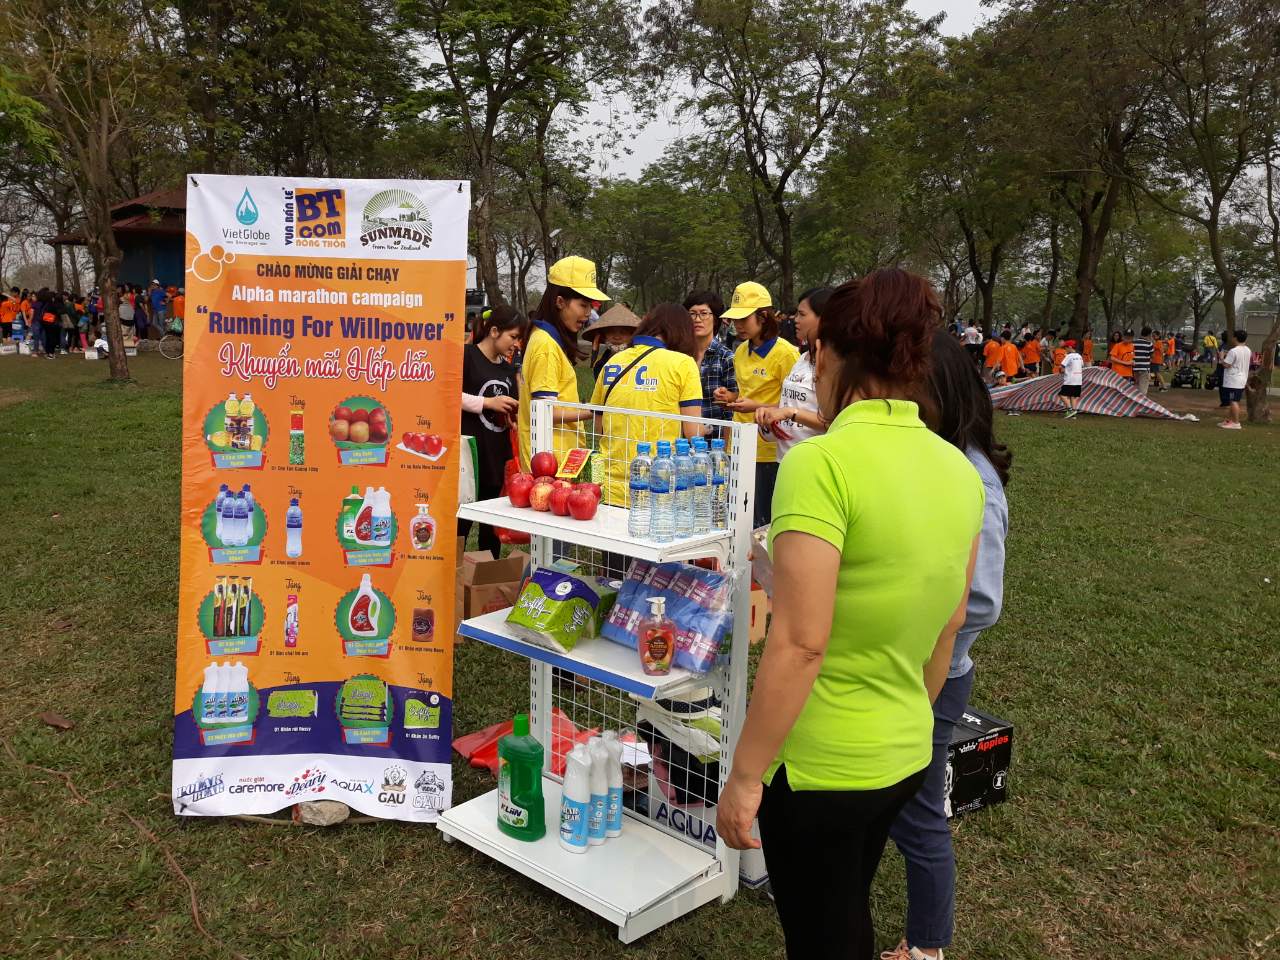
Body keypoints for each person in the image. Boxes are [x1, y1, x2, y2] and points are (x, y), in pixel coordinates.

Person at [716, 268, 984, 960]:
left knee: (823, 935)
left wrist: (745, 775)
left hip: (821, 764)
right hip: (904, 747)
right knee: (844, 911)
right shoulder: (959, 469)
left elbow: (800, 643)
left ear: (830, 355)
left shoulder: (822, 464)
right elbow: (950, 622)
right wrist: (909, 716)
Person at [880, 330, 1011, 960]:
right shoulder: (932, 461)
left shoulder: (972, 478)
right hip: (898, 665)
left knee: (918, 814)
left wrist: (923, 640)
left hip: (931, 676)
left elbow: (980, 600)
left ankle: (927, 946)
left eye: (909, 394)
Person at [589, 303, 704, 506]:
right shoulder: (683, 363)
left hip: (607, 485)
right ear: (683, 332)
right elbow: (693, 433)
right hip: (657, 487)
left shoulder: (613, 362)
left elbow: (599, 429)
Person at [717, 281, 800, 527]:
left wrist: (755, 406)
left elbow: (794, 404)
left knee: (762, 520)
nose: (738, 325)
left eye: (744, 319)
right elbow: (746, 393)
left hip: (769, 450)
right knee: (737, 518)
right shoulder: (740, 351)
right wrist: (731, 397)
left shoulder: (786, 354)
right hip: (739, 443)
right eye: (735, 320)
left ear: (763, 317)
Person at [516, 255, 603, 471]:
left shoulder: (545, 339)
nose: (588, 314)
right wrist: (594, 411)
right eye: (583, 305)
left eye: (590, 306)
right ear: (560, 302)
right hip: (549, 465)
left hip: (556, 461)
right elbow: (545, 412)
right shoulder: (545, 346)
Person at [459, 306, 522, 557]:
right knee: (460, 526)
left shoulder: (508, 370)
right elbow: (449, 395)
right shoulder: (467, 356)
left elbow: (510, 408)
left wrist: (510, 418)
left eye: (519, 339)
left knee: (491, 528)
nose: (516, 344)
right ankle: (453, 573)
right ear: (494, 331)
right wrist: (487, 403)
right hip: (468, 458)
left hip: (496, 457)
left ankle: (489, 575)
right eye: (513, 337)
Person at [755, 287, 833, 460]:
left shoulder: (833, 365)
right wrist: (769, 412)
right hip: (785, 460)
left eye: (802, 314)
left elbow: (834, 422)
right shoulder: (802, 358)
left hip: (813, 461)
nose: (795, 320)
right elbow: (793, 404)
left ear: (824, 319)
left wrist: (790, 413)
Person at [685, 290, 738, 432]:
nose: (697, 319)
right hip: (681, 439)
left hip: (715, 439)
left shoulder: (726, 357)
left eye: (704, 313)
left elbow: (732, 408)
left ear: (715, 319)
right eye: (692, 313)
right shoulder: (679, 355)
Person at [583, 304, 639, 379]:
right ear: (604, 335)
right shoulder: (600, 366)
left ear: (632, 335)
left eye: (623, 332)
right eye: (611, 332)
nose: (617, 337)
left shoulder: (642, 361)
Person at [1218, 330, 1251, 430]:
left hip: (1234, 381)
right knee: (1232, 401)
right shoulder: (1247, 350)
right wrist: (1228, 355)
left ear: (1235, 338)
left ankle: (1236, 423)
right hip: (1241, 378)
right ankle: (1230, 420)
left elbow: (1226, 365)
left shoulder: (1234, 351)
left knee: (1233, 401)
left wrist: (1221, 358)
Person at [1059, 339, 1084, 418]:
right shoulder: (1079, 356)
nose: (1065, 349)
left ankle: (1070, 410)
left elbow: (1062, 368)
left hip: (1070, 380)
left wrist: (1062, 371)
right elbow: (1082, 366)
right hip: (1078, 380)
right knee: (1073, 397)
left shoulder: (1068, 356)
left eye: (1066, 347)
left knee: (1062, 395)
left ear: (1070, 347)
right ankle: (1074, 414)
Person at [1132, 327, 1153, 394]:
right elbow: (1152, 356)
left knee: (1136, 385)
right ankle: (1141, 399)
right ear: (1149, 334)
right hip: (1144, 368)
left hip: (1134, 367)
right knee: (1143, 387)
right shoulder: (1149, 344)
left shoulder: (1133, 343)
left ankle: (1134, 398)